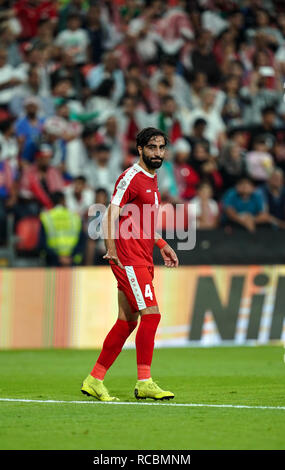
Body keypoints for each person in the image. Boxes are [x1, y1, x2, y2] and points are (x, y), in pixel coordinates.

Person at [81, 127, 178, 402]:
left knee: (126, 322)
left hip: (142, 256)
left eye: (161, 148)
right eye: (152, 148)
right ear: (140, 149)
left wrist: (162, 244)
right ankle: (144, 381)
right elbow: (111, 214)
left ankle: (94, 379)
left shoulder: (152, 178)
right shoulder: (131, 177)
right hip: (128, 257)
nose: (157, 153)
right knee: (152, 315)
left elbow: (140, 222)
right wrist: (111, 248)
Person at [39, 191, 85, 267]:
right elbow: (82, 241)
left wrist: (58, 258)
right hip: (72, 261)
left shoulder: (46, 217)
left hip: (52, 261)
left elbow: (42, 244)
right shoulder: (75, 217)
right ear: (63, 201)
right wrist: (70, 257)